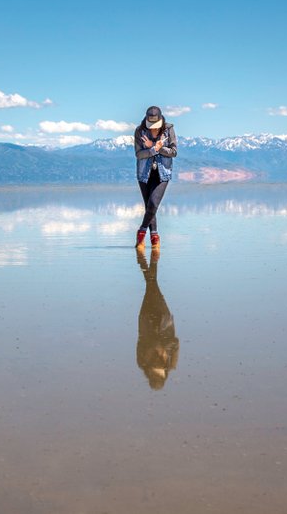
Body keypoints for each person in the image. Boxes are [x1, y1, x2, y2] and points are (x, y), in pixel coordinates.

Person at [133, 105, 177, 248]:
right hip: (144, 174)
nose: (153, 128)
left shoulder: (168, 129)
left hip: (162, 173)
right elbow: (139, 154)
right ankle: (155, 239)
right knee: (149, 208)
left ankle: (141, 231)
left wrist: (158, 148)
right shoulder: (139, 131)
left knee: (153, 204)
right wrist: (152, 149)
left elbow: (174, 152)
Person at [136, 248, 179, 390]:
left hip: (147, 321)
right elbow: (176, 342)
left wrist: (156, 346)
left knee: (151, 286)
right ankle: (149, 259)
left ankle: (151, 259)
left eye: (155, 368)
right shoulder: (171, 363)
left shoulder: (142, 362)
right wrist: (164, 346)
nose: (157, 364)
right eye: (159, 368)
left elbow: (142, 341)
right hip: (164, 322)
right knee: (152, 286)